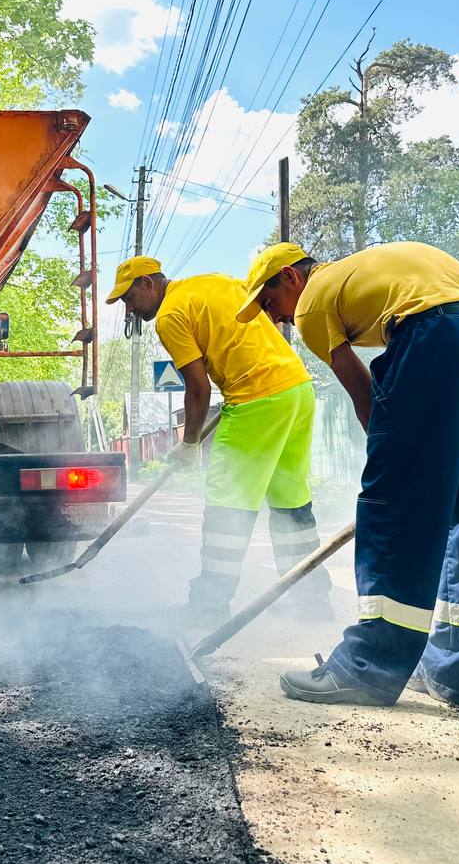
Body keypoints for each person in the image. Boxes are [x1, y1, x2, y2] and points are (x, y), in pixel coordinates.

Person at [237, 241, 459, 706]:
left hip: (436, 342)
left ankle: (368, 667)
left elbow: (361, 393)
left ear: (290, 276)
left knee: (394, 508)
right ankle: (451, 669)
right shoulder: (392, 262)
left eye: (270, 303)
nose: (276, 317)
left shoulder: (312, 303)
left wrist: (394, 467)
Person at [107, 256, 333, 628]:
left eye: (129, 298)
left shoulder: (169, 315)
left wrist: (190, 443)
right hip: (296, 389)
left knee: (227, 506)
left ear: (147, 284)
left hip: (256, 399)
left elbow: (198, 387)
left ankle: (208, 608)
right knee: (291, 502)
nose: (129, 308)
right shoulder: (214, 279)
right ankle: (312, 601)